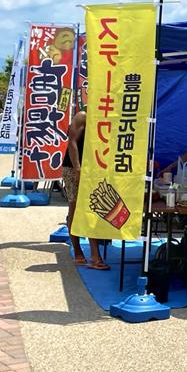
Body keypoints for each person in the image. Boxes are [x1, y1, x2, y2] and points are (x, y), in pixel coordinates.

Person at [61, 111, 109, 269]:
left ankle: (94, 256)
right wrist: (77, 168)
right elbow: (72, 142)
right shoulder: (83, 115)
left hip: (92, 169)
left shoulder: (107, 115)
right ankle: (80, 251)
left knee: (89, 210)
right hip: (74, 168)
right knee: (75, 207)